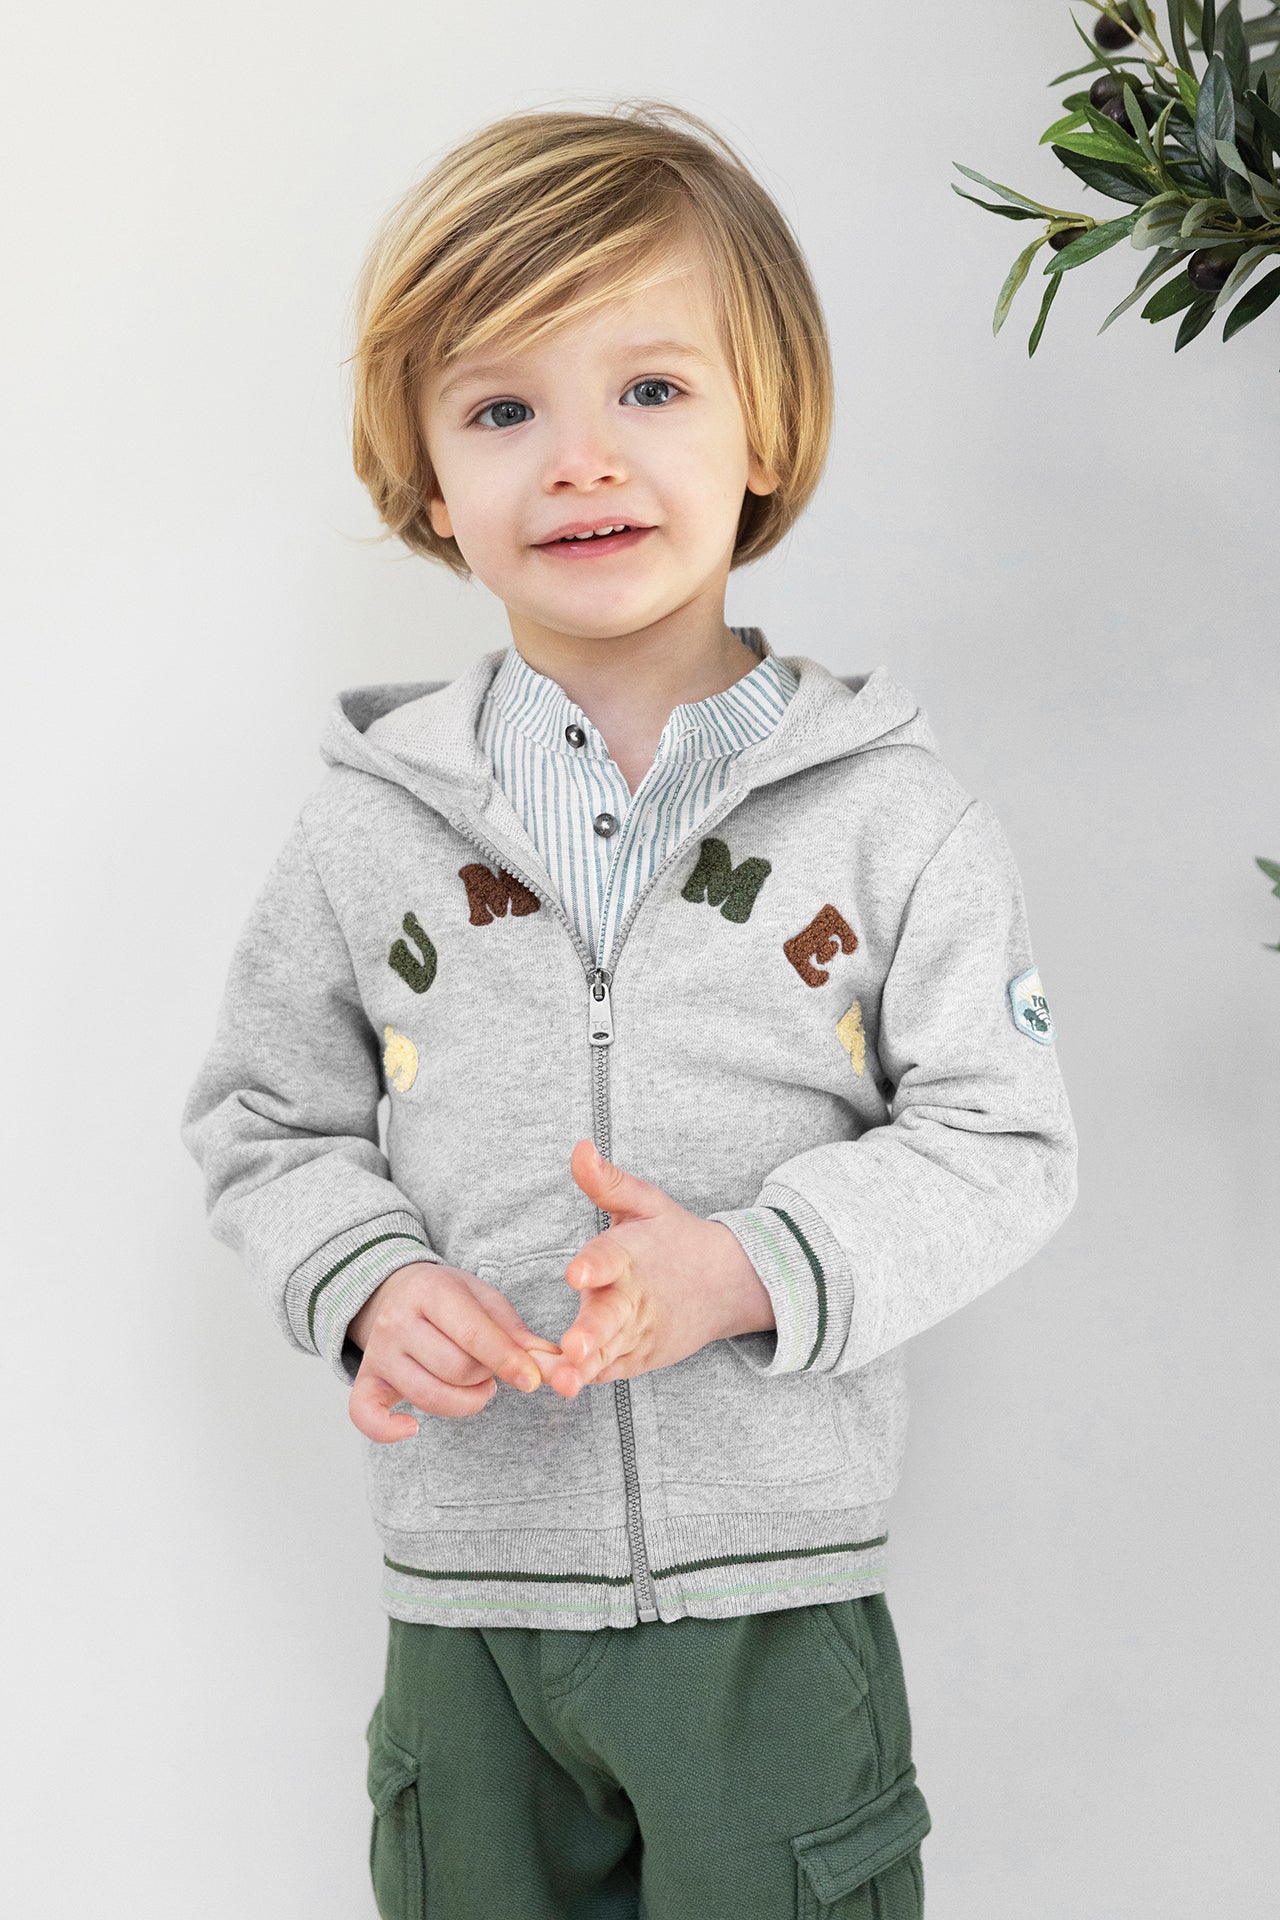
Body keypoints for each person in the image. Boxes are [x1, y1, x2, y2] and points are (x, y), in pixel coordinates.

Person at [180, 98, 1078, 1920]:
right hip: (469, 1613)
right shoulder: (369, 824)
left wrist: (748, 1268)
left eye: (652, 390)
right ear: (430, 484)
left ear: (768, 429)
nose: (580, 460)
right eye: (502, 410)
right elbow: (264, 1120)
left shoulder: (892, 813)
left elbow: (1005, 1142)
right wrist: (368, 1283)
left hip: (773, 1605)